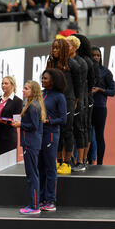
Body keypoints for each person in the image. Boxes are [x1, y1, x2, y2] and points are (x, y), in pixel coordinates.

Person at [46, 38, 82, 175]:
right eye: (53, 48)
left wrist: (76, 100)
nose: (54, 50)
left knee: (67, 131)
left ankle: (67, 163)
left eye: (57, 48)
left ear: (64, 50)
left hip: (68, 101)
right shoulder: (50, 62)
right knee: (56, 132)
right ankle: (58, 161)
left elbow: (78, 86)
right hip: (53, 101)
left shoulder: (73, 65)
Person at [11, 81, 46, 215]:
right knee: (33, 175)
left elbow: (33, 126)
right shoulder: (35, 104)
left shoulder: (32, 107)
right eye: (23, 88)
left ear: (33, 91)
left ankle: (34, 206)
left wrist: (20, 124)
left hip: (30, 143)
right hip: (32, 143)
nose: (23, 91)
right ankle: (34, 203)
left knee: (32, 176)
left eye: (26, 89)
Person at [38, 68, 67, 212]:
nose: (42, 80)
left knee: (50, 168)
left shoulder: (59, 97)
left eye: (45, 79)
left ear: (53, 81)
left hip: (50, 135)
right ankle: (41, 198)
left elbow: (63, 119)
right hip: (38, 135)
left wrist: (48, 121)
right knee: (40, 167)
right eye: (42, 78)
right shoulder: (41, 94)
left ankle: (50, 200)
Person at [73, 33, 100, 169]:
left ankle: (82, 160)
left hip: (84, 99)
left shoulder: (87, 62)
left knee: (83, 128)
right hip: (85, 98)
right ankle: (78, 159)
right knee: (82, 128)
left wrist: (85, 93)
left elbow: (93, 80)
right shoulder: (86, 61)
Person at [65, 35, 88, 172]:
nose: (64, 47)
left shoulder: (81, 63)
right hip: (70, 100)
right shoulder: (64, 62)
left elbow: (82, 84)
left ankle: (81, 161)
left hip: (78, 100)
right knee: (67, 130)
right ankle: (69, 159)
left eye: (67, 45)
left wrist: (78, 101)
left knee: (79, 128)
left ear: (74, 47)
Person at [90, 46, 115, 165]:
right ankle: (88, 160)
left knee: (99, 135)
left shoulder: (106, 72)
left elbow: (112, 92)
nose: (96, 57)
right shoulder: (87, 71)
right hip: (87, 107)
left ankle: (99, 162)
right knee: (88, 136)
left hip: (100, 107)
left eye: (98, 55)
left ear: (101, 57)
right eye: (93, 55)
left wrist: (100, 90)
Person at [0, 76, 23, 158]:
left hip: (9, 137)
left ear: (12, 85)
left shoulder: (18, 101)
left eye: (6, 83)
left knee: (8, 164)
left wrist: (6, 121)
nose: (3, 85)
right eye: (2, 83)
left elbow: (16, 122)